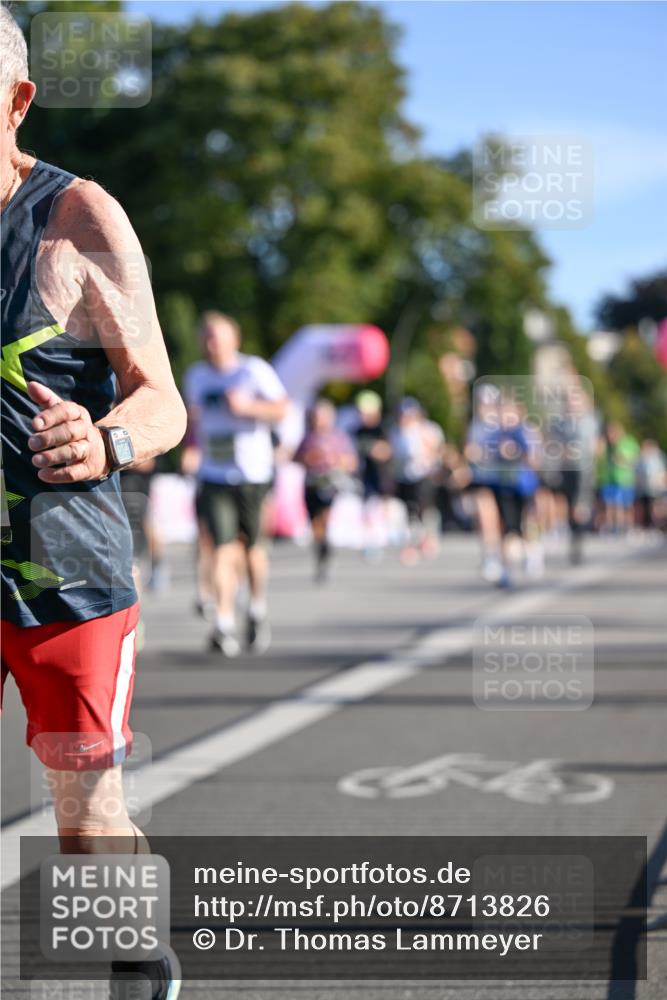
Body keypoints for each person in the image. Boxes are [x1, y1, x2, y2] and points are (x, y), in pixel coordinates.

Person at [0, 7, 186, 997]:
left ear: (17, 101)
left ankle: (139, 958)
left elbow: (163, 400)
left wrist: (104, 437)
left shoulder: (78, 220)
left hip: (66, 577)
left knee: (85, 823)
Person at [183, 312, 288, 656]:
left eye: (218, 336)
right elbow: (193, 422)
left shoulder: (252, 370)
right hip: (214, 474)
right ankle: (223, 623)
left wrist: (247, 407)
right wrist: (192, 448)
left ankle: (256, 609)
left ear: (234, 340)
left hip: (253, 475)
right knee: (222, 547)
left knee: (254, 550)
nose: (211, 342)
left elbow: (282, 408)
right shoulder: (195, 377)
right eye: (207, 336)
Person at [294, 398, 358, 581]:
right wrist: (307, 459)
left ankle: (327, 548)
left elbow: (351, 462)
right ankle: (321, 550)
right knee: (315, 524)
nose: (318, 421)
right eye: (315, 417)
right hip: (311, 484)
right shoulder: (307, 438)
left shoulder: (339, 437)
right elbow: (295, 458)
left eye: (321, 417)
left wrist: (337, 461)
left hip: (331, 483)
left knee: (326, 517)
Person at [390, 398, 444, 565]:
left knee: (425, 508)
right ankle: (413, 543)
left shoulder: (428, 429)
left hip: (424, 475)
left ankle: (429, 538)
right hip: (404, 476)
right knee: (410, 510)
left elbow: (438, 450)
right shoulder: (396, 432)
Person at [351, 390, 392, 558]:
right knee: (366, 510)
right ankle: (369, 542)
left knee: (377, 510)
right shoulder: (357, 431)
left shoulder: (381, 429)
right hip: (363, 476)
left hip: (380, 477)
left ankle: (376, 542)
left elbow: (386, 451)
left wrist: (373, 449)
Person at [597, 421, 640, 534]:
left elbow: (635, 460)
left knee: (625, 505)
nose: (610, 436)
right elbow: (599, 457)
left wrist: (622, 461)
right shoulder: (607, 445)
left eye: (612, 433)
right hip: (609, 479)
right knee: (610, 504)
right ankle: (612, 526)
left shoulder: (629, 442)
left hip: (625, 479)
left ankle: (626, 527)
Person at [634, 439, 666, 532]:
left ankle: (658, 524)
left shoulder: (658, 457)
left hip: (656, 488)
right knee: (644, 506)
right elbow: (637, 472)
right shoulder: (641, 458)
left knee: (657, 506)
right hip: (644, 489)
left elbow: (662, 472)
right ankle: (646, 524)